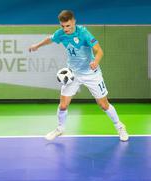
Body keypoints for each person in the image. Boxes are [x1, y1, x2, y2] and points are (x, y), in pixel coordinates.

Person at [29, 10, 129, 141]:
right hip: (72, 74)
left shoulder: (84, 33)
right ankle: (60, 128)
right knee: (63, 105)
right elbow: (50, 39)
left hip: (91, 73)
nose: (65, 29)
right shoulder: (61, 34)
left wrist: (95, 61)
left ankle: (120, 127)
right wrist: (37, 45)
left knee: (103, 104)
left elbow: (99, 51)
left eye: (68, 26)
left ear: (74, 22)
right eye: (62, 26)